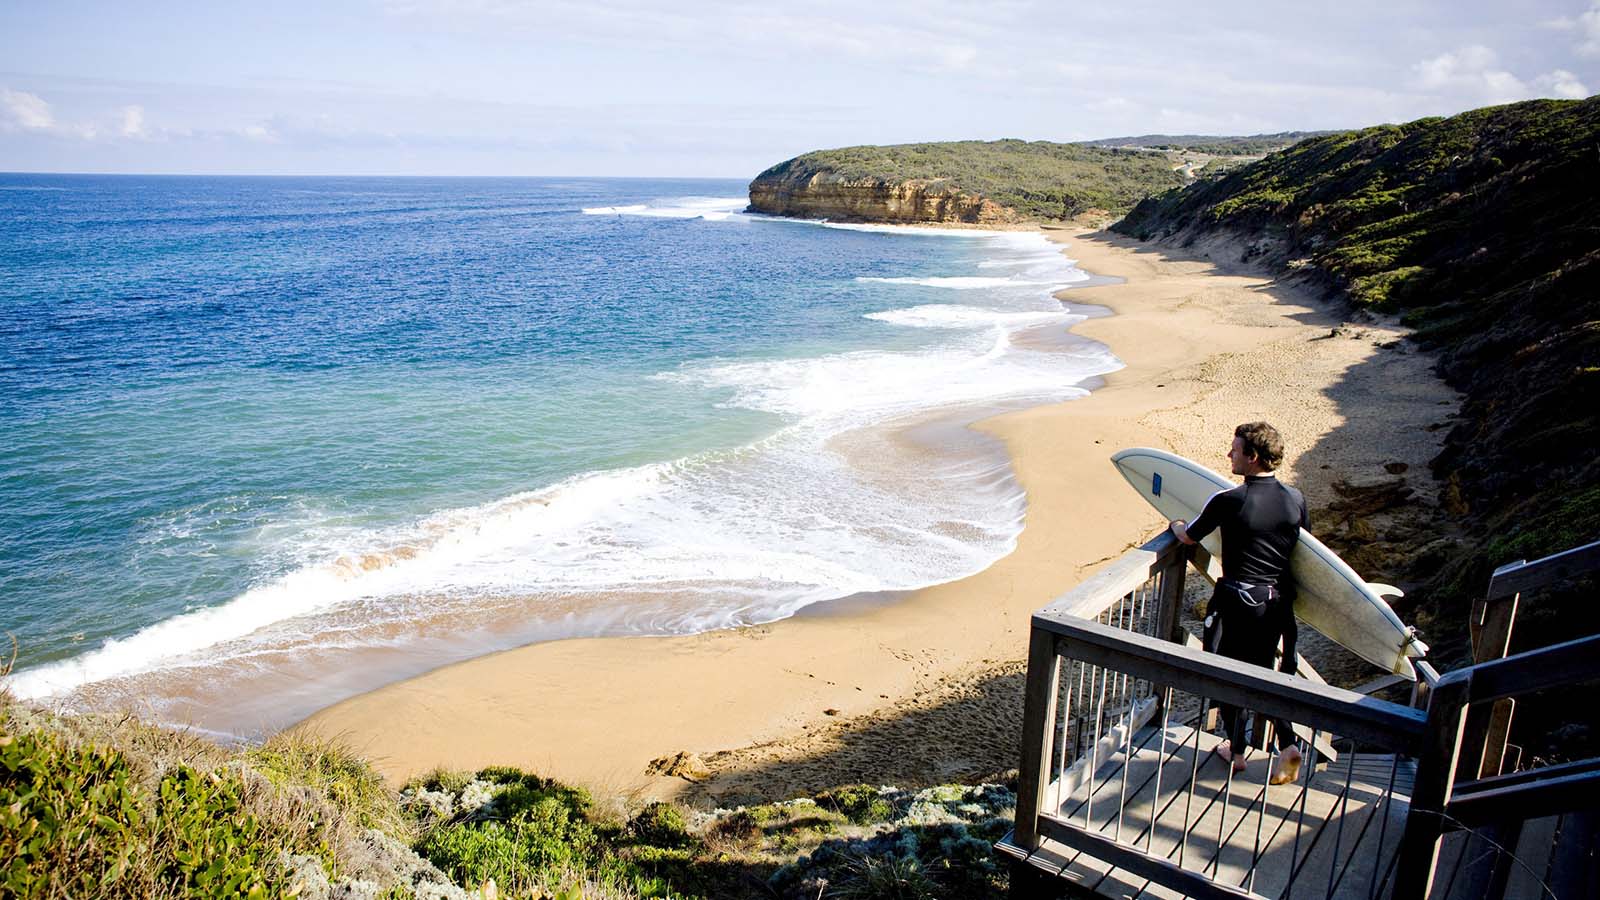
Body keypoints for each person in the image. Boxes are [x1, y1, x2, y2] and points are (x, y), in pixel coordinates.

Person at [1169, 422, 1307, 785]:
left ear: (1253, 457)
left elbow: (1188, 536)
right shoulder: (1295, 499)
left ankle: (1237, 749)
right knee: (1264, 672)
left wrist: (1175, 523)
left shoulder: (1229, 501)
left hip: (1235, 603)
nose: (1229, 454)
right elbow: (1306, 553)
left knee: (1224, 672)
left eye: (1235, 449)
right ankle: (1288, 744)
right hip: (1275, 605)